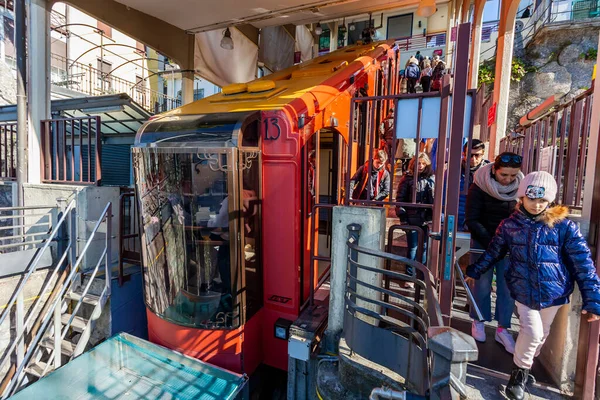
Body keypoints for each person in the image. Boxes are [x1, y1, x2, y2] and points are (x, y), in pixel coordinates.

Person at [466, 171, 600, 400]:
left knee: (541, 335)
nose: (537, 205)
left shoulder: (564, 227)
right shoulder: (509, 225)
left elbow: (583, 264)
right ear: (521, 198)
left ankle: (524, 369)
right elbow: (494, 252)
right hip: (523, 291)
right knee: (533, 331)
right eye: (531, 199)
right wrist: (475, 270)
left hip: (554, 293)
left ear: (550, 200)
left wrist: (593, 299)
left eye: (542, 200)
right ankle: (518, 375)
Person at [465, 152, 523, 353]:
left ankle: (503, 327)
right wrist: (493, 243)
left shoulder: (521, 187)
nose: (508, 180)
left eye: (512, 176)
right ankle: (478, 319)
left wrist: (508, 242)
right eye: (503, 175)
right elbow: (471, 218)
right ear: (494, 170)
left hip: (509, 245)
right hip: (484, 242)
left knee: (507, 288)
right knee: (481, 284)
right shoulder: (479, 186)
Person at [395, 152, 435, 285]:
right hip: (411, 218)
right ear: (413, 163)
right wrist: (403, 217)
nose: (421, 166)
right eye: (418, 163)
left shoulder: (430, 178)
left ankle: (421, 276)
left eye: (423, 163)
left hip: (426, 219)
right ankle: (409, 277)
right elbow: (400, 199)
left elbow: (435, 200)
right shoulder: (407, 178)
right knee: (412, 248)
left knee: (424, 248)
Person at [458, 139, 489, 230]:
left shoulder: (490, 173)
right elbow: (444, 196)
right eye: (470, 155)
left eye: (477, 155)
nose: (473, 158)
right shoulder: (454, 170)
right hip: (457, 220)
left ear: (483, 155)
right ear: (464, 154)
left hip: (481, 221)